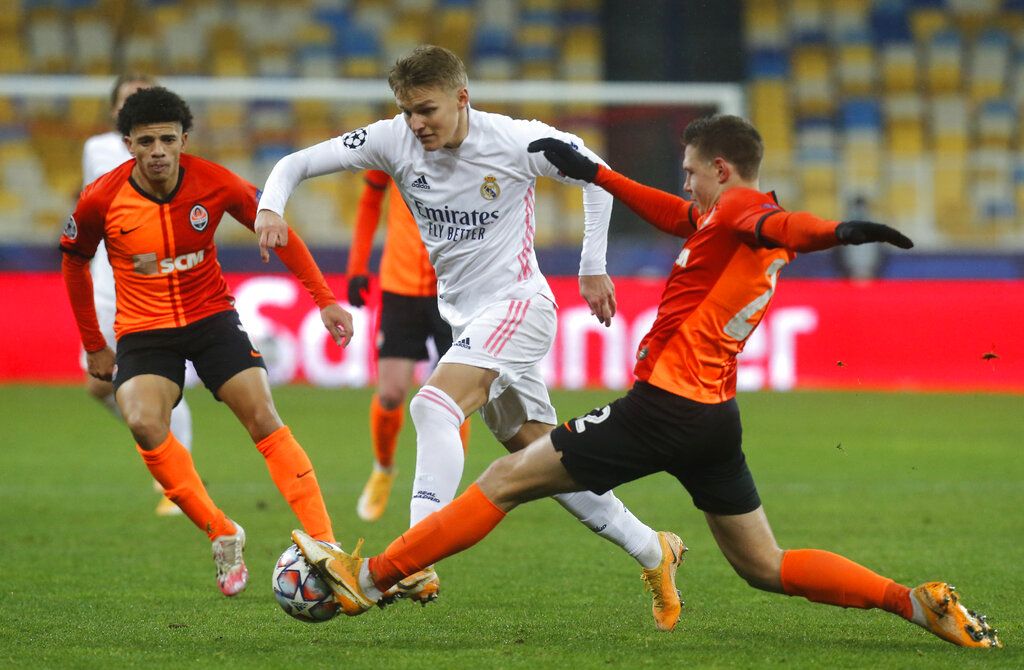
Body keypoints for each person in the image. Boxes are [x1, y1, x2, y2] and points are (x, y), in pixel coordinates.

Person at [290, 114, 1002, 649]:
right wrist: (599, 176)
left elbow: (788, 224)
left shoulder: (750, 212)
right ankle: (911, 601)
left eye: (691, 169)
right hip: (713, 419)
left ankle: (374, 576)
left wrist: (840, 233)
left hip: (661, 409)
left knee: (505, 480)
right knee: (764, 563)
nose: (684, 181)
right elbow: (679, 215)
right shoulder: (722, 217)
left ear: (722, 168)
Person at [256, 45, 683, 629]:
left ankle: (412, 555)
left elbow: (596, 173)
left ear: (462, 98)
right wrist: (269, 207)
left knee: (433, 405)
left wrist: (592, 264)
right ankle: (653, 550)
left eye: (426, 110)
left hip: (519, 305)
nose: (415, 124)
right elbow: (294, 164)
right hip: (468, 316)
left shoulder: (515, 141)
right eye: (406, 111)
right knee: (541, 457)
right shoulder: (392, 139)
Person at [60, 87, 353, 597]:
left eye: (167, 140)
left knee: (262, 415)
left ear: (183, 140)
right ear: (128, 143)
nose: (157, 151)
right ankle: (221, 532)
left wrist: (324, 299)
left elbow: (276, 227)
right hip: (145, 331)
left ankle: (327, 544)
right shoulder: (100, 198)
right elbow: (73, 261)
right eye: (146, 140)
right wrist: (93, 344)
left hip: (211, 318)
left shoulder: (213, 182)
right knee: (143, 420)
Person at [81, 73, 192, 517]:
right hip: (105, 278)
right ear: (116, 112)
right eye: (132, 99)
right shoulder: (99, 149)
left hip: (149, 277)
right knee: (98, 384)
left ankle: (177, 478)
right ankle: (166, 453)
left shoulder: (164, 148)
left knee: (160, 383)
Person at [347, 170, 470, 522]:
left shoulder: (468, 146)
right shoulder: (394, 143)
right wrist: (357, 265)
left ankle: (447, 494)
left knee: (454, 397)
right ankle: (383, 469)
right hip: (399, 286)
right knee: (390, 393)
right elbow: (371, 199)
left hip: (452, 287)